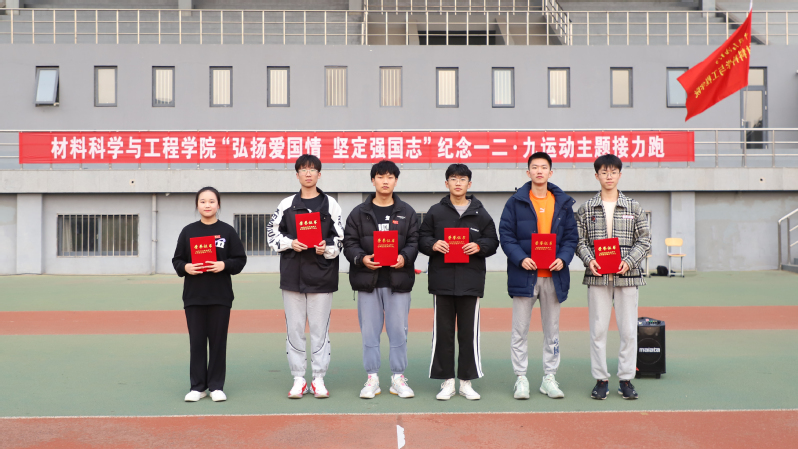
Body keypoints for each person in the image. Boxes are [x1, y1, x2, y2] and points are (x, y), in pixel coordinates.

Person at [499, 152, 578, 400]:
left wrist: (563, 258)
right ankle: (521, 378)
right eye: (535, 167)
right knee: (520, 330)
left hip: (553, 277)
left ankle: (549, 377)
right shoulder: (515, 202)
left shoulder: (563, 203)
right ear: (528, 172)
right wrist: (521, 258)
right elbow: (506, 235)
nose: (539, 171)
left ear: (550, 172)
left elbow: (571, 238)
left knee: (551, 331)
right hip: (524, 275)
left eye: (544, 167)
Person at [419, 164, 499, 401]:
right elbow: (422, 238)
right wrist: (433, 244)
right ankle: (446, 381)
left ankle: (466, 381)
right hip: (442, 281)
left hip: (470, 282)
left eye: (462, 179)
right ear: (446, 183)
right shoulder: (435, 212)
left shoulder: (480, 213)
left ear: (469, 184)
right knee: (443, 334)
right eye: (453, 179)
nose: (457, 183)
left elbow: (493, 241)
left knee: (468, 334)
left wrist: (479, 246)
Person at [267, 154, 344, 399]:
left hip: (322, 276)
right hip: (293, 276)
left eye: (312, 170)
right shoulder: (286, 204)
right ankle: (298, 378)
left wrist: (326, 247)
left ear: (319, 174)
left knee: (320, 330)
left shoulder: (331, 204)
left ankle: (318, 378)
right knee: (295, 329)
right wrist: (291, 242)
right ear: (297, 174)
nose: (308, 173)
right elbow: (272, 234)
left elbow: (340, 238)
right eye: (303, 169)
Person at [575, 154, 651, 400]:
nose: (609, 176)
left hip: (627, 277)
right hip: (597, 277)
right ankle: (601, 379)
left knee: (628, 331)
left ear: (620, 174)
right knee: (598, 331)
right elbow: (578, 241)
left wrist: (628, 262)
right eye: (604, 172)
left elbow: (645, 240)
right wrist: (589, 259)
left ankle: (626, 379)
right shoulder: (586, 208)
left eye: (613, 172)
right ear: (596, 175)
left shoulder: (633, 206)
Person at [344, 160, 419, 400]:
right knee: (369, 332)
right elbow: (349, 243)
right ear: (372, 180)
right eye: (380, 176)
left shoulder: (407, 212)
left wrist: (404, 257)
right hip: (368, 282)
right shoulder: (358, 213)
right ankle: (372, 378)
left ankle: (398, 378)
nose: (385, 181)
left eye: (390, 177)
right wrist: (362, 258)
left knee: (398, 332)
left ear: (396, 181)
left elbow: (414, 241)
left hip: (398, 282)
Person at [172, 186, 247, 403]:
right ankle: (197, 387)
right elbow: (177, 260)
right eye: (203, 201)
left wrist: (224, 264)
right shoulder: (188, 231)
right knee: (196, 343)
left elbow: (240, 260)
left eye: (212, 201)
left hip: (220, 296)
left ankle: (216, 387)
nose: (207, 205)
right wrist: (186, 267)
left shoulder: (227, 231)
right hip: (194, 297)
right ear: (197, 205)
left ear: (218, 204)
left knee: (217, 342)